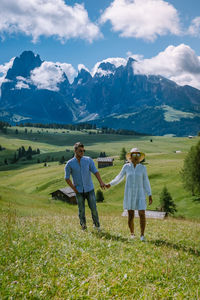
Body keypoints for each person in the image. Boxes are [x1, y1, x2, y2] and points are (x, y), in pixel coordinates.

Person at [106, 148, 152, 241]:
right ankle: (132, 234)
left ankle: (142, 235)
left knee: (142, 213)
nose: (136, 157)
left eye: (138, 155)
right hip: (129, 193)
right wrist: (110, 184)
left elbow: (146, 181)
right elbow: (119, 177)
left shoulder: (143, 168)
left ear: (140, 157)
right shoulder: (126, 167)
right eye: (134, 155)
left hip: (140, 193)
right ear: (130, 157)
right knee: (130, 214)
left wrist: (149, 194)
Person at [65, 142, 106, 231]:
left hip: (89, 189)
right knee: (81, 210)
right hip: (78, 191)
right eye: (80, 151)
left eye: (84, 150)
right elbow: (67, 178)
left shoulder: (88, 160)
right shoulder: (69, 163)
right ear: (75, 151)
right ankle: (83, 227)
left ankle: (97, 226)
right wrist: (74, 189)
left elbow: (95, 171)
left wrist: (101, 182)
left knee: (94, 208)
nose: (82, 152)